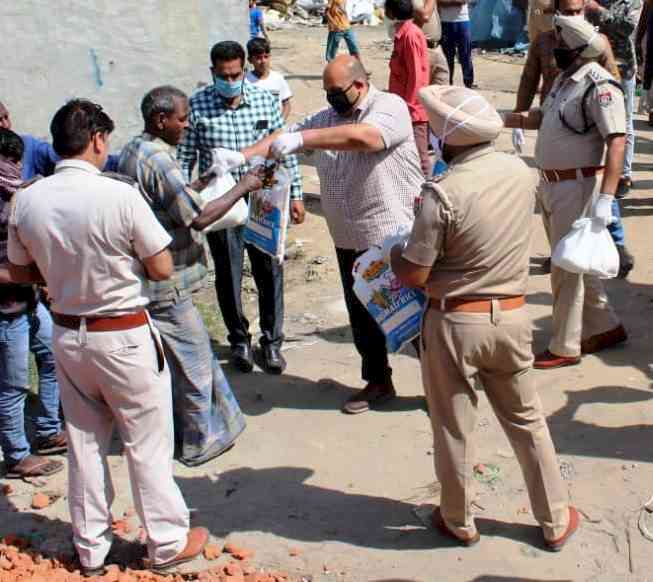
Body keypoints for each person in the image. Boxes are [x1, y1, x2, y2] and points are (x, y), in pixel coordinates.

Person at [8, 99, 208, 576]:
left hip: (68, 334)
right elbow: (160, 266)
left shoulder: (28, 197)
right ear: (97, 140)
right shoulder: (118, 195)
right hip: (123, 334)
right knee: (147, 443)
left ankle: (91, 548)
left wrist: (62, 272)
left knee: (83, 442)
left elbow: (18, 269)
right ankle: (166, 542)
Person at [390, 84, 578, 551]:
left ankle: (458, 519)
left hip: (455, 323)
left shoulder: (443, 192)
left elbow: (414, 273)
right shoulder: (520, 172)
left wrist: (394, 252)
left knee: (454, 427)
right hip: (513, 317)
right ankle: (555, 521)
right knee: (528, 422)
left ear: (447, 140)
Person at [240, 55, 424, 414]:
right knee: (363, 318)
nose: (330, 99)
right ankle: (377, 381)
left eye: (335, 91)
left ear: (359, 85)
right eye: (326, 92)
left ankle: (446, 381)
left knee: (412, 316)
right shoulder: (327, 119)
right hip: (347, 236)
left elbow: (366, 137)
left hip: (392, 236)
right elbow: (284, 137)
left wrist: (302, 139)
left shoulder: (389, 107)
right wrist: (241, 156)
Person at [118, 86, 261, 466]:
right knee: (195, 364)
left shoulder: (136, 150)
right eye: (182, 118)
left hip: (150, 277)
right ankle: (199, 443)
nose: (187, 124)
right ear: (160, 120)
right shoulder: (160, 161)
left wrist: (204, 182)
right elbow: (196, 217)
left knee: (183, 361)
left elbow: (170, 201)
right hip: (168, 281)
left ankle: (207, 430)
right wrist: (243, 188)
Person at [504, 15, 627, 369]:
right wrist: (505, 119)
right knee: (579, 261)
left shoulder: (600, 86)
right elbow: (542, 117)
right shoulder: (564, 81)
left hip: (579, 185)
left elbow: (617, 142)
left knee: (565, 270)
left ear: (578, 50)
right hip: (554, 183)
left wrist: (606, 199)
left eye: (561, 45)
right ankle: (606, 326)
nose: (554, 50)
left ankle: (565, 345)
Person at [178, 41, 304, 375]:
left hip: (263, 198)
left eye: (236, 74)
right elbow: (185, 158)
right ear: (213, 73)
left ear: (244, 69)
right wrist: (186, 197)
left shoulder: (265, 100)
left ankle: (272, 342)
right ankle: (239, 341)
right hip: (223, 200)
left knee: (269, 268)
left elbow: (284, 149)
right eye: (224, 75)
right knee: (229, 271)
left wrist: (297, 195)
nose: (230, 80)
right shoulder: (198, 107)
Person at [513, 0, 634, 279]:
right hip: (552, 118)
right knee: (553, 199)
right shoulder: (544, 42)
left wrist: (614, 123)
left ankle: (613, 249)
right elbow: (529, 78)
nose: (573, 17)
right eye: (567, 12)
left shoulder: (595, 42)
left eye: (577, 11)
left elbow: (613, 87)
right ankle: (563, 252)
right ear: (556, 13)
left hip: (586, 130)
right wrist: (518, 117)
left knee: (600, 196)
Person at [0, 128, 65, 479]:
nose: (15, 170)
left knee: (53, 358)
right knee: (13, 385)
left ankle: (48, 431)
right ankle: (16, 455)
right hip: (7, 311)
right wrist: (34, 277)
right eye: (10, 164)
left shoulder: (14, 194)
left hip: (28, 300)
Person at [584, 0, 640, 197]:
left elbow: (628, 27)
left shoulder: (631, 2)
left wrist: (599, 11)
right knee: (594, 120)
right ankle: (596, 169)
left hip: (622, 68)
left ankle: (624, 175)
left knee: (624, 123)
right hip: (594, 66)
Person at [0, 100, 120, 179]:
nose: (6, 125)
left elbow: (62, 154)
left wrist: (129, 161)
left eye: (6, 117)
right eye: (0, 120)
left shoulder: (27, 146)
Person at [386, 0, 432, 177]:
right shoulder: (403, 34)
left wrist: (410, 109)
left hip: (412, 112)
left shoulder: (410, 35)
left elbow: (417, 77)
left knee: (421, 162)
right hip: (403, 108)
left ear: (390, 13)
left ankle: (426, 199)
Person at [246, 37, 293, 121]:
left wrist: (279, 123)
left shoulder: (278, 78)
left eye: (266, 56)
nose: (263, 61)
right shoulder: (245, 81)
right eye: (258, 58)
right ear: (250, 60)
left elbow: (286, 104)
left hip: (275, 128)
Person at [413, 0, 450, 85]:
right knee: (421, 92)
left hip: (436, 47)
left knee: (442, 92)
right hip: (421, 49)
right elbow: (425, 16)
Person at [438, 0, 474, 87]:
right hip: (445, 22)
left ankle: (468, 83)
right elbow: (438, 2)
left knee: (465, 56)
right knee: (447, 57)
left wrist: (447, 2)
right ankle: (448, 83)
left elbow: (463, 1)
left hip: (462, 21)